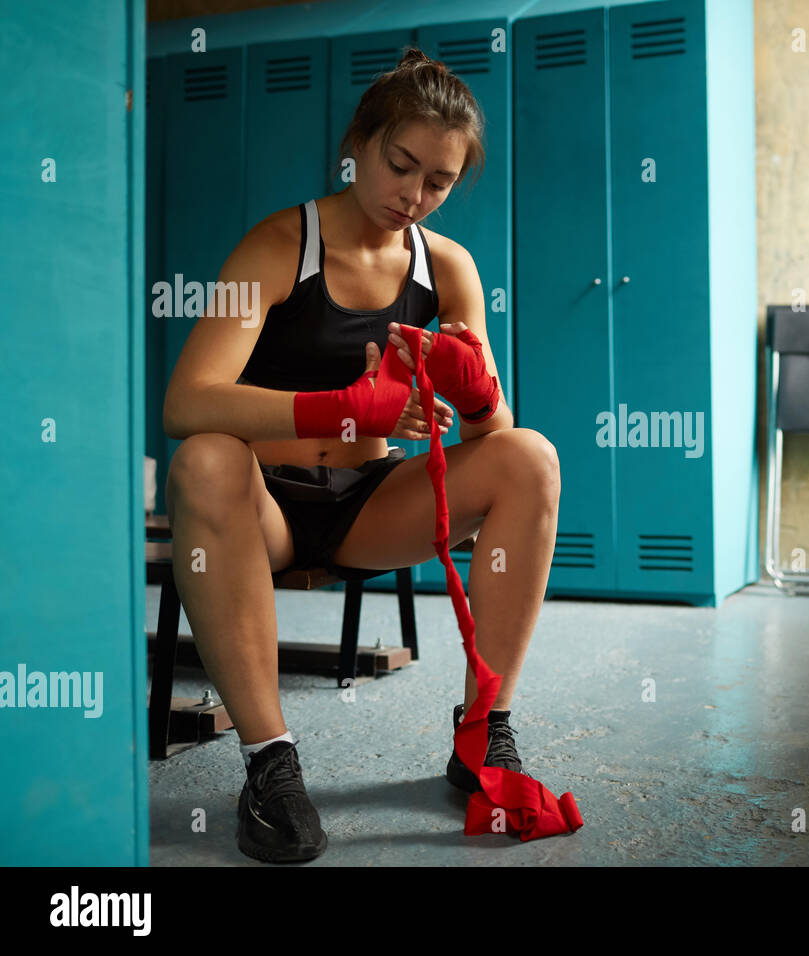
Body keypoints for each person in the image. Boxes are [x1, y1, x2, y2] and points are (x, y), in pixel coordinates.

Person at [161, 48, 561, 863]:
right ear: (360, 143)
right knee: (203, 456)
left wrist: (477, 391)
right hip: (263, 507)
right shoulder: (279, 246)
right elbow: (187, 400)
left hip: (369, 507)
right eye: (399, 165)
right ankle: (270, 763)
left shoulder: (446, 267)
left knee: (532, 457)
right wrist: (338, 406)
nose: (412, 195)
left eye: (438, 182)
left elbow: (493, 438)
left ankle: (484, 731)